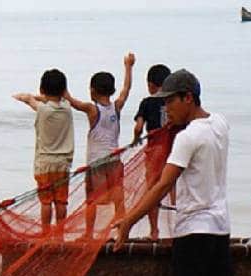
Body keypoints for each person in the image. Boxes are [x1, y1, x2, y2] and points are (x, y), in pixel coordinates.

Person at [114, 70, 240, 276]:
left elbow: (162, 184)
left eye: (170, 102)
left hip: (193, 229)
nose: (166, 109)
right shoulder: (220, 124)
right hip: (220, 226)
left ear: (188, 98)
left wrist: (129, 221)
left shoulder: (188, 137)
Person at [65, 53, 135, 237]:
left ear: (93, 90)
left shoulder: (92, 109)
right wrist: (129, 67)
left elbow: (74, 104)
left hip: (96, 162)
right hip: (114, 158)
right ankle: (122, 231)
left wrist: (64, 92)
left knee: (92, 199)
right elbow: (126, 89)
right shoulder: (116, 107)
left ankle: (89, 233)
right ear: (111, 90)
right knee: (118, 197)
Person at [13, 69, 75, 235]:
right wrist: (39, 96)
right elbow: (46, 99)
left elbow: (31, 101)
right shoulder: (67, 108)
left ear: (42, 90)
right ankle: (60, 233)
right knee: (61, 201)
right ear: (63, 91)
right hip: (63, 164)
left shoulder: (43, 110)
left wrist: (24, 97)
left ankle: (46, 232)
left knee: (46, 202)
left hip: (45, 164)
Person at [131, 63, 174, 240]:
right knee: (173, 189)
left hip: (155, 151)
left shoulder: (147, 103)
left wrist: (135, 139)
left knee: (153, 190)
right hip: (173, 150)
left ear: (150, 85)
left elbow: (139, 127)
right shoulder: (172, 101)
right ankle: (178, 228)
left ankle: (154, 231)